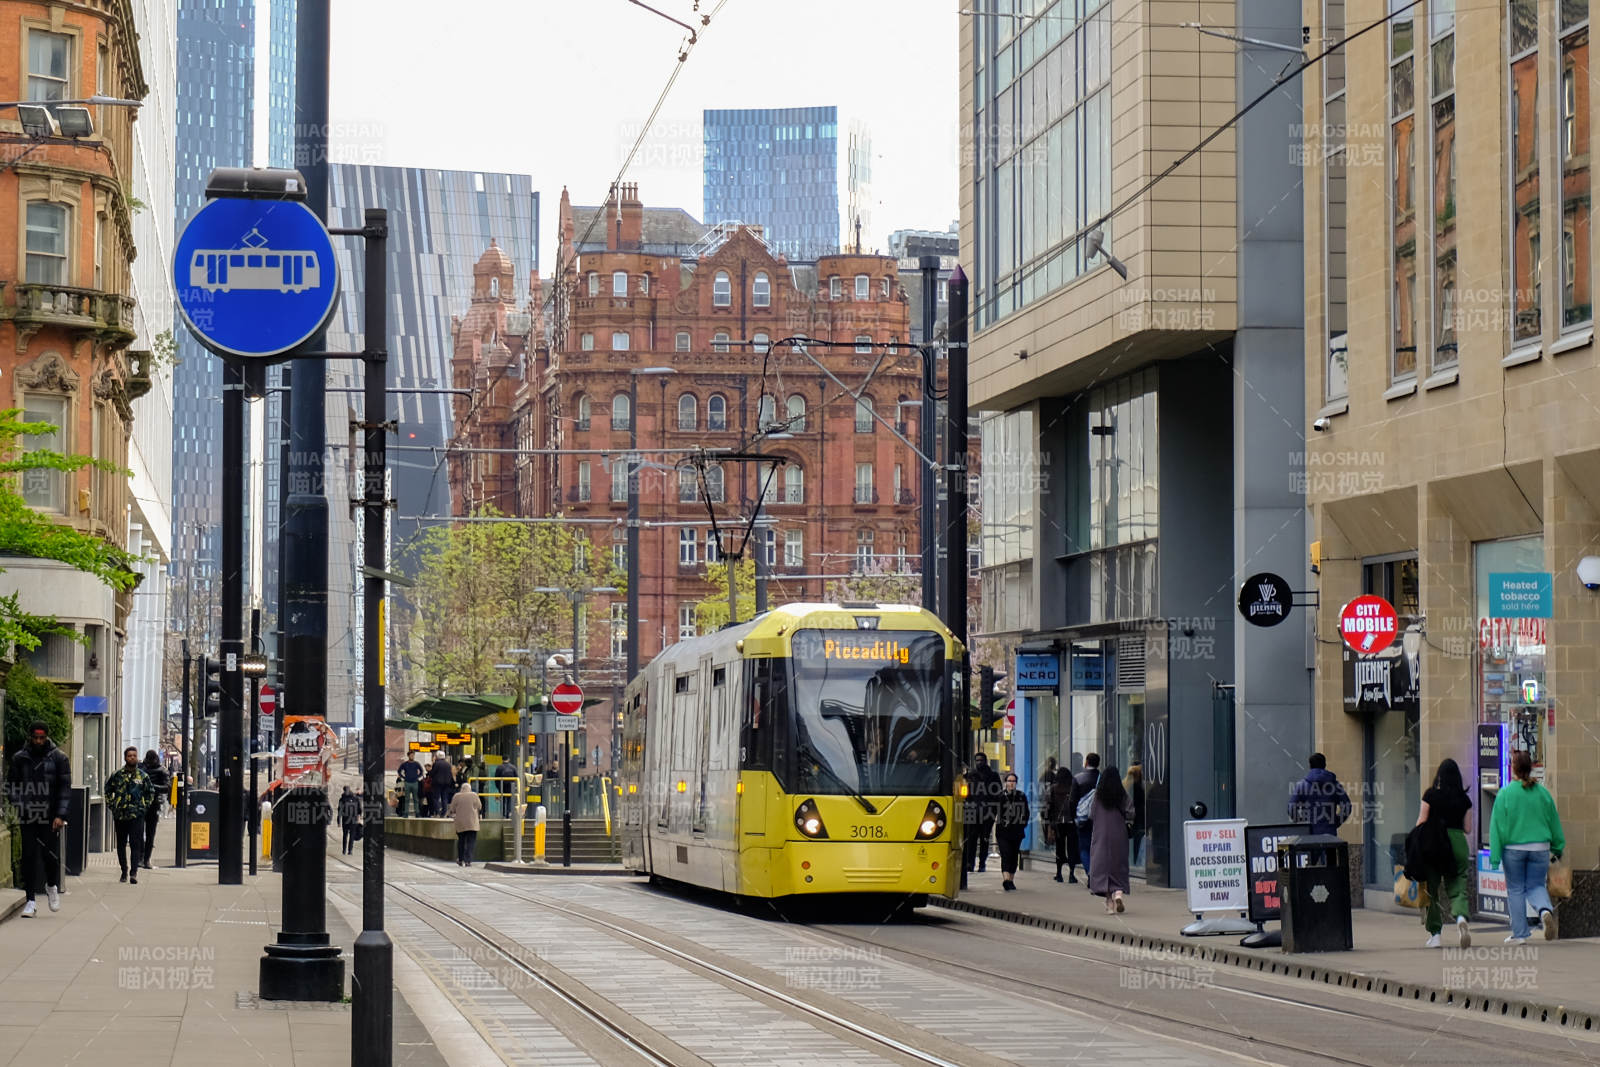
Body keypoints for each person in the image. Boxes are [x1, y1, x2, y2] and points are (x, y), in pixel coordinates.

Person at [1489, 750, 1566, 944]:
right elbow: (1553, 821)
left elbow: (1496, 827)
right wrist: (1558, 846)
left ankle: (1520, 934)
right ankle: (1545, 910)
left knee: (1515, 889)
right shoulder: (1543, 793)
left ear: (1513, 768)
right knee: (1536, 885)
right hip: (1540, 847)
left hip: (1513, 849)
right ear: (1530, 768)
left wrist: (1495, 856)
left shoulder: (1505, 793)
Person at [7, 721, 71, 917]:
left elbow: (64, 788)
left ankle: (51, 885)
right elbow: (11, 786)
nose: (38, 741)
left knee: (49, 856)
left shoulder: (59, 758)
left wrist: (60, 815)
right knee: (28, 857)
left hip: (50, 815)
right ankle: (30, 900)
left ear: (47, 737)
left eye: (42, 738)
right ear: (30, 737)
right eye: (35, 737)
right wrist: (20, 804)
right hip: (29, 814)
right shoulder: (20, 758)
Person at [1417, 757, 1473, 948]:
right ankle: (1460, 918)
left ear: (1439, 776)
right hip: (1457, 843)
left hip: (1434, 844)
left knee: (1431, 891)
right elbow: (1467, 828)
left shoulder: (1430, 795)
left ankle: (1435, 935)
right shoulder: (1464, 799)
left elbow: (1421, 823)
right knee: (1458, 885)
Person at [1088, 763, 1135, 914]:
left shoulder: (1098, 795)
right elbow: (1130, 812)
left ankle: (1109, 905)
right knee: (1118, 864)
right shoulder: (1122, 794)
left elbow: (1091, 814)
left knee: (1102, 866)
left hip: (1101, 834)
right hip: (1118, 834)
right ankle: (1119, 894)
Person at [105, 746, 153, 884]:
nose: (132, 757)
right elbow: (108, 790)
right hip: (120, 815)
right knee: (121, 844)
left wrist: (144, 807)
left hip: (136, 816)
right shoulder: (117, 775)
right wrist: (112, 805)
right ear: (125, 757)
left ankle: (134, 873)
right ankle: (124, 871)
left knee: (135, 843)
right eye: (129, 755)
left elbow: (150, 792)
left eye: (134, 755)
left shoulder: (142, 776)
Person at [1288, 753, 1353, 836]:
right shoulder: (1335, 785)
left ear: (1310, 766)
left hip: (1308, 833)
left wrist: (1301, 822)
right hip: (1329, 833)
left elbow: (1291, 808)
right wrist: (1336, 822)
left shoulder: (1301, 786)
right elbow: (1347, 806)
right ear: (1324, 765)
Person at [995, 772, 1031, 891]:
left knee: (1014, 855)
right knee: (1006, 854)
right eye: (1009, 781)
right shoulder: (1000, 796)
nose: (1011, 783)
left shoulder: (1021, 796)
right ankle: (1006, 879)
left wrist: (1023, 824)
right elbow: (994, 813)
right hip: (1003, 831)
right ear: (1006, 782)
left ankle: (1011, 879)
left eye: (1013, 781)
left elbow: (1026, 812)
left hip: (1016, 831)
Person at [1068, 753, 1101, 881]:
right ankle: (1096, 873)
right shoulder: (1102, 778)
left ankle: (1090, 874)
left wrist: (1074, 817)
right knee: (1097, 848)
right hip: (1099, 819)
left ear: (1086, 762)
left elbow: (1072, 801)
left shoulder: (1078, 778)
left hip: (1083, 819)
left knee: (1084, 848)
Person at [1045, 765, 1079, 883]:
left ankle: (1059, 873)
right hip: (1072, 821)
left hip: (1058, 822)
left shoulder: (1053, 788)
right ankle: (1071, 874)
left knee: (1059, 848)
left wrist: (1048, 821)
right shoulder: (1073, 787)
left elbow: (1048, 806)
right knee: (1072, 848)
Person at [969, 753, 1001, 872]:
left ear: (985, 761)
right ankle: (970, 863)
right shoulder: (971, 775)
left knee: (984, 839)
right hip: (973, 812)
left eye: (981, 760)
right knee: (971, 839)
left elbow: (997, 794)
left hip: (987, 812)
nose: (979, 762)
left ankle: (982, 863)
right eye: (977, 760)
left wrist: (994, 810)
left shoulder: (993, 776)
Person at [139, 750, 169, 869]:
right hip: (145, 803)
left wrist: (151, 787)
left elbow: (167, 787)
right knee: (143, 833)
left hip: (151, 803)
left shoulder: (161, 770)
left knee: (147, 833)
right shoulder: (142, 768)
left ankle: (145, 859)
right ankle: (144, 859)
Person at [448, 780, 482, 866]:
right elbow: (479, 806)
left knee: (461, 841)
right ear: (469, 789)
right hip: (472, 822)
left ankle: (460, 859)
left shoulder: (457, 796)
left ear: (461, 789)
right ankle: (468, 860)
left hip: (460, 823)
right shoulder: (474, 795)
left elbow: (452, 808)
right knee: (471, 842)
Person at [1125, 764, 1146, 866]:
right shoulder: (1137, 786)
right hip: (1137, 817)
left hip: (1128, 818)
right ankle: (1135, 861)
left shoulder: (1124, 784)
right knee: (1137, 840)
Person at [397, 752, 424, 817]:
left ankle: (417, 813)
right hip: (407, 782)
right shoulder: (405, 764)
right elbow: (399, 770)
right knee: (407, 799)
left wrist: (417, 777)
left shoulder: (416, 763)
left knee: (416, 799)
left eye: (413, 755)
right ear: (408, 756)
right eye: (411, 755)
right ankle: (406, 813)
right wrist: (403, 777)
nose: (412, 756)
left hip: (415, 782)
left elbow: (421, 771)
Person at [337, 786, 361, 855]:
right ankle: (349, 850)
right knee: (351, 835)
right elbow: (359, 810)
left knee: (345, 835)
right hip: (353, 819)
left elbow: (340, 811)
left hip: (346, 819)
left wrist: (338, 821)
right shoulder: (355, 798)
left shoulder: (342, 799)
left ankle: (344, 850)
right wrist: (358, 818)